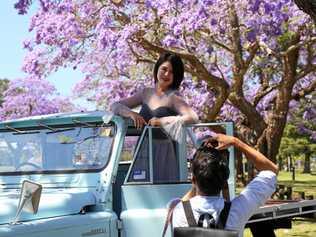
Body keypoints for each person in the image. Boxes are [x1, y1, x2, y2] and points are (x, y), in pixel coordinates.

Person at [111, 52, 199, 182]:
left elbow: (193, 117)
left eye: (172, 72)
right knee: (139, 186)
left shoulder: (174, 98)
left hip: (164, 151)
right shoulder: (145, 93)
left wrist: (163, 121)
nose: (167, 74)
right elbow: (115, 106)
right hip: (143, 149)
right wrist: (131, 113)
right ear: (157, 68)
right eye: (164, 69)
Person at [172, 133, 278, 236]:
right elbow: (271, 171)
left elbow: (185, 202)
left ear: (194, 180)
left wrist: (200, 168)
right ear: (225, 181)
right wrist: (236, 142)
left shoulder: (178, 211)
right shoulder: (237, 210)